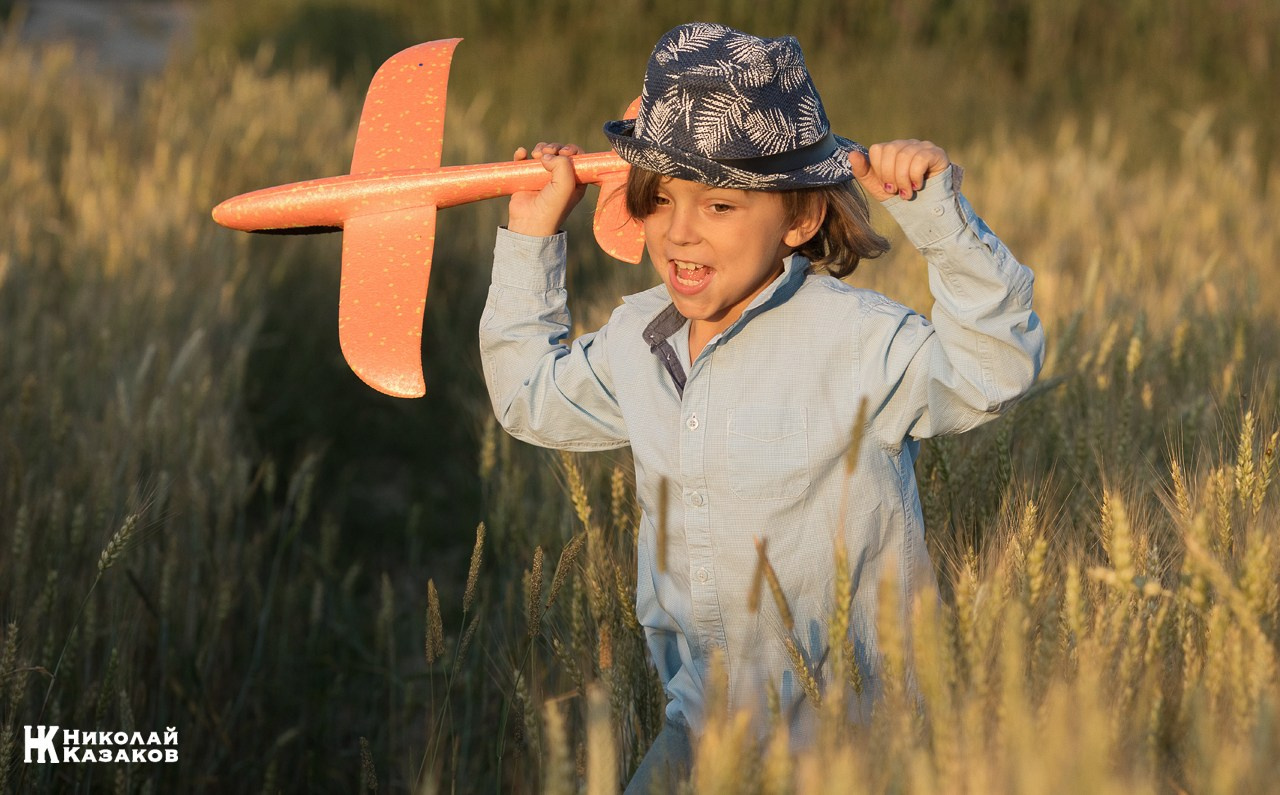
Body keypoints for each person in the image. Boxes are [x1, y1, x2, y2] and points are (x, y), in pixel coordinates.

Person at [480, 22, 1043, 791]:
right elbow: (529, 400)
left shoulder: (854, 342)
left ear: (801, 218)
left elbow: (995, 369)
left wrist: (938, 217)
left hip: (854, 744)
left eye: (719, 206)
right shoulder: (635, 342)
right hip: (701, 727)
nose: (680, 231)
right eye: (661, 199)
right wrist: (530, 239)